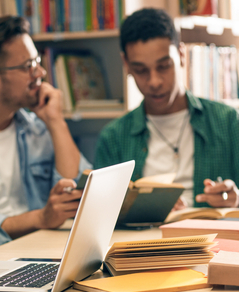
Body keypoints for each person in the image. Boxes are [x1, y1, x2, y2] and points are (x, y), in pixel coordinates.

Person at [0, 16, 92, 250]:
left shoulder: (39, 128)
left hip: (48, 250)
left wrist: (56, 122)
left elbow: (80, 194)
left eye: (37, 61)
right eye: (28, 66)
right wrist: (42, 218)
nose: (40, 71)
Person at [94, 7, 239, 210]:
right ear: (126, 64)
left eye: (164, 66)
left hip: (211, 238)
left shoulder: (228, 121)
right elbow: (99, 212)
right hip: (142, 240)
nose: (154, 82)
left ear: (180, 54)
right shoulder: (114, 138)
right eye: (141, 70)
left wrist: (236, 199)